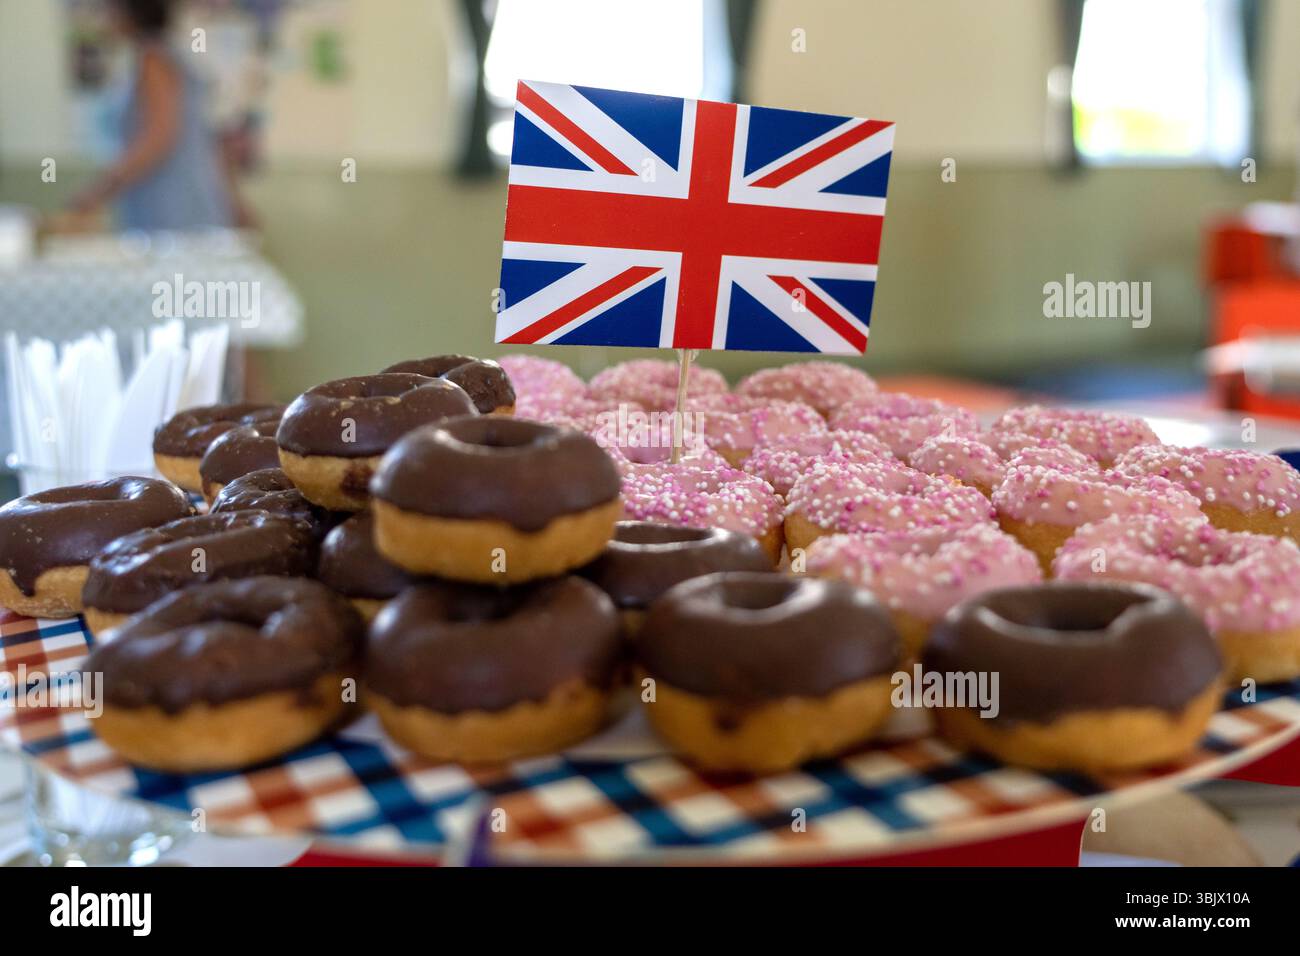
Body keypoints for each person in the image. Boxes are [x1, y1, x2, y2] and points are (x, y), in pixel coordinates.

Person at [61, 0, 250, 231]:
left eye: (110, 9)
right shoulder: (171, 56)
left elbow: (159, 137)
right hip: (185, 199)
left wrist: (99, 190)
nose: (104, 17)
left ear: (129, 12)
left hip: (172, 205)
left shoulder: (154, 59)